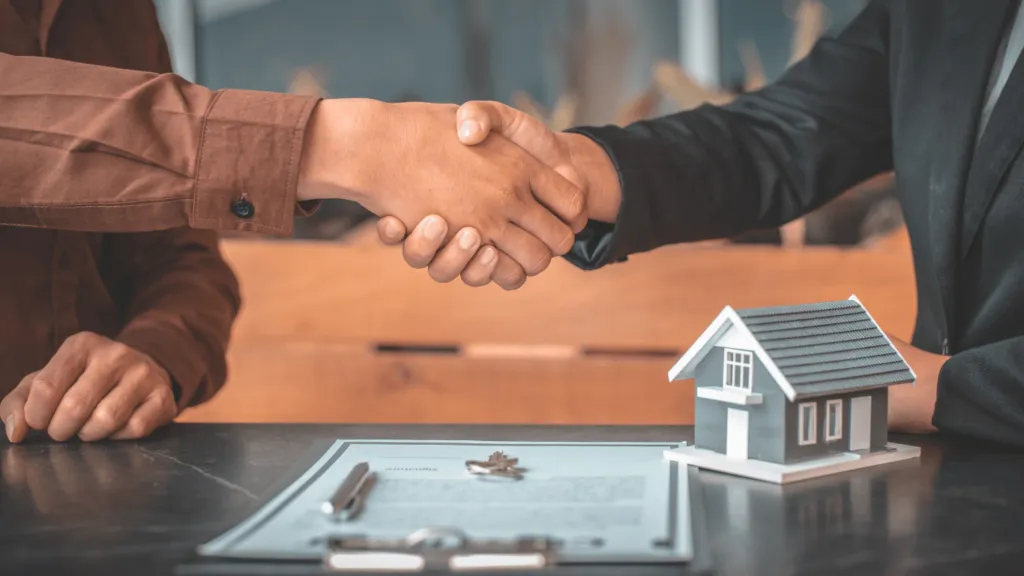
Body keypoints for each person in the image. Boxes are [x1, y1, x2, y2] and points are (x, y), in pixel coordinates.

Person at [379, 0, 1024, 447]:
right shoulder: (939, 11)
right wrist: (564, 170)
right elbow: (778, 138)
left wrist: (942, 387)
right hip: (951, 487)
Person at [0, 0, 584, 443]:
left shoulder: (117, 11)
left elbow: (181, 257)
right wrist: (349, 145)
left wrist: (153, 352)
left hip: (96, 496)